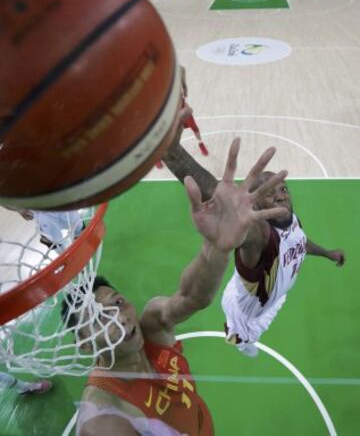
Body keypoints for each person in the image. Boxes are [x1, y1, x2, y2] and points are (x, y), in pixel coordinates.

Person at [62, 139, 288, 435]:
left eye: (117, 303)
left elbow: (192, 296)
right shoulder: (105, 418)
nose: (119, 317)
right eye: (100, 318)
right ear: (85, 344)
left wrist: (217, 248)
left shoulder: (152, 325)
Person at [163, 141, 345, 357]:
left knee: (273, 297)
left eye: (283, 188)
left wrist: (327, 253)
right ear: (256, 206)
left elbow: (301, 242)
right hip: (245, 312)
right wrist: (170, 150)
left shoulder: (291, 220)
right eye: (270, 193)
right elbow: (223, 205)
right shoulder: (261, 236)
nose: (281, 195)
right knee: (243, 339)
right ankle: (238, 338)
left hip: (271, 296)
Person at [16, 209, 85, 253]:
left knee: (78, 225)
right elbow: (4, 201)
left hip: (60, 202)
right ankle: (67, 259)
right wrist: (19, 209)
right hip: (41, 213)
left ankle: (79, 240)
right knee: (54, 242)